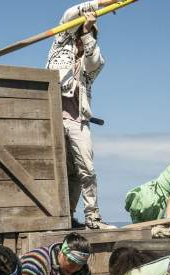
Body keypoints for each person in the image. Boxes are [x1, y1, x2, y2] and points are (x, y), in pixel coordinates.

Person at [47, 1, 119, 229]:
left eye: (86, 36)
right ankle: (64, 217)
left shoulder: (93, 61)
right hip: (53, 118)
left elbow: (94, 60)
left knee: (84, 170)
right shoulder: (59, 45)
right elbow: (69, 13)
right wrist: (103, 2)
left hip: (79, 120)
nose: (81, 39)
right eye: (79, 33)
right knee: (59, 170)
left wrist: (88, 31)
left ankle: (92, 217)